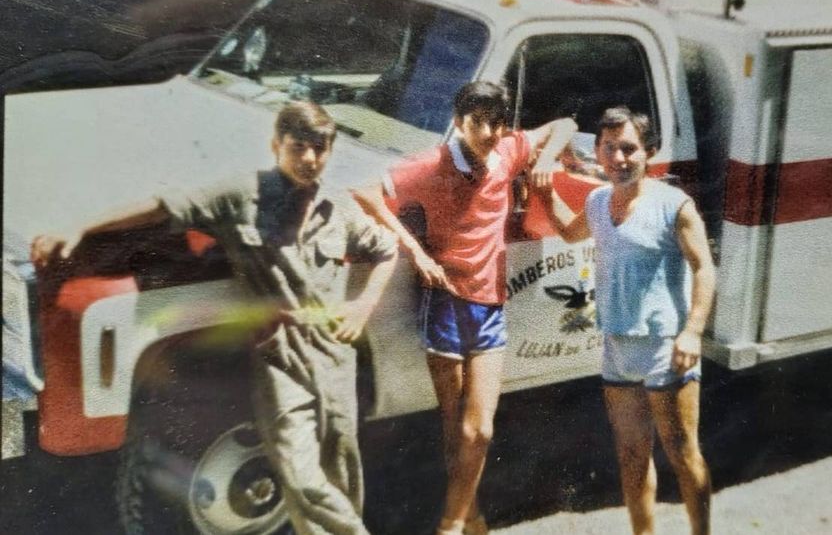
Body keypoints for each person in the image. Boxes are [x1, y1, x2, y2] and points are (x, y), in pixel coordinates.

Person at [31, 102, 398, 535]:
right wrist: (80, 227)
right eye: (299, 147)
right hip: (281, 354)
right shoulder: (241, 196)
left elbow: (386, 247)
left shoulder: (338, 207)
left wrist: (363, 305)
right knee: (300, 472)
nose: (310, 159)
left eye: (320, 149)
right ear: (276, 145)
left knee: (341, 466)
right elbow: (163, 206)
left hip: (334, 352)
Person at [354, 80, 577, 535]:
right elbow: (364, 191)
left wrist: (548, 160)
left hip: (490, 306)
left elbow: (566, 124)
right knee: (454, 427)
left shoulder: (508, 152)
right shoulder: (431, 165)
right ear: (460, 122)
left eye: (497, 122)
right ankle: (467, 517)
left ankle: (451, 523)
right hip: (446, 304)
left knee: (480, 432)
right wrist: (416, 253)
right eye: (480, 122)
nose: (491, 132)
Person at [535, 106, 715, 535]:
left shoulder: (675, 206)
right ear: (597, 151)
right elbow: (570, 232)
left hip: (665, 349)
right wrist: (542, 192)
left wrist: (692, 332)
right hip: (617, 348)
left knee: (682, 451)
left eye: (629, 149)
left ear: (649, 153)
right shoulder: (598, 201)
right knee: (632, 456)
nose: (619, 158)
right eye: (609, 148)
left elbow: (704, 267)